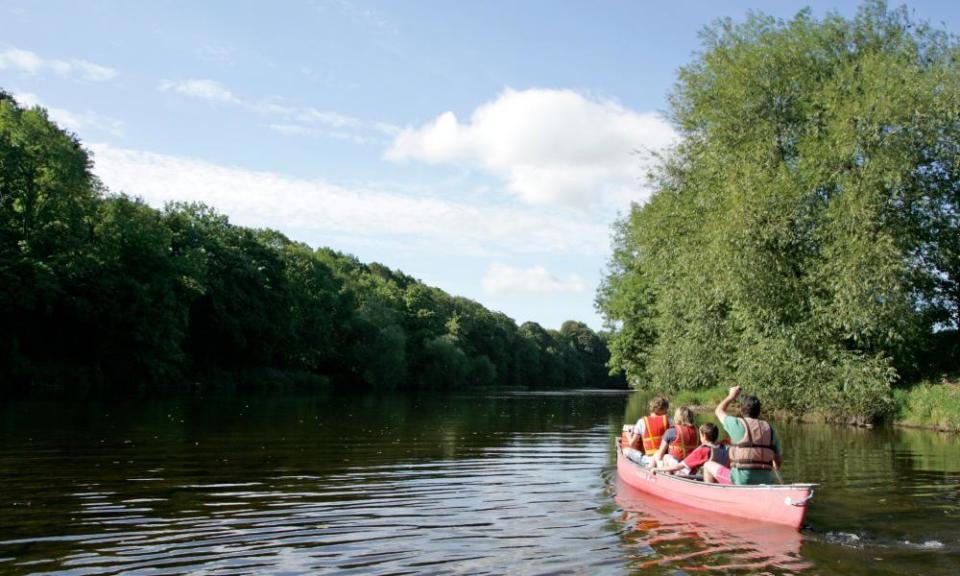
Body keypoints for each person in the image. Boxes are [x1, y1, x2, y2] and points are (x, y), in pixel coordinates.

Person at [703, 386, 782, 485]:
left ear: (741, 410)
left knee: (707, 465)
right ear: (758, 412)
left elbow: (718, 411)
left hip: (741, 481)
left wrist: (731, 396)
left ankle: (713, 496)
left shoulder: (736, 424)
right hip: (765, 481)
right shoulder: (770, 429)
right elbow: (778, 463)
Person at [656, 422, 730, 483]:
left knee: (666, 457)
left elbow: (678, 467)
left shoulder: (703, 450)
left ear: (704, 436)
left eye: (700, 435)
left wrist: (657, 469)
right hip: (717, 480)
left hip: (698, 479)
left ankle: (669, 483)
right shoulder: (723, 447)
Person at [623, 397, 671, 467]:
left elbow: (632, 444)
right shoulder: (669, 421)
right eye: (666, 410)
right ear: (660, 409)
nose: (666, 412)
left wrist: (628, 435)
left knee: (626, 450)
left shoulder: (641, 422)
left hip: (649, 460)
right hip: (665, 458)